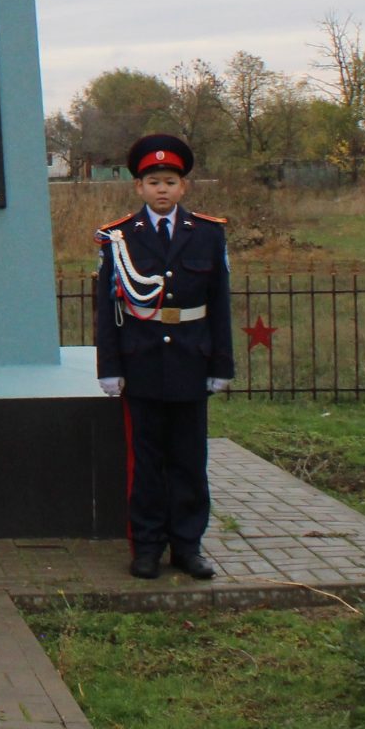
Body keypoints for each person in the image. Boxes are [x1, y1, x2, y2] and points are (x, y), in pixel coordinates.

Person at [93, 133, 233, 581]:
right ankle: (148, 546)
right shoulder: (118, 238)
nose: (162, 190)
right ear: (139, 186)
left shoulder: (207, 234)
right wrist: (110, 368)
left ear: (183, 186)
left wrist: (221, 366)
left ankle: (187, 546)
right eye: (153, 182)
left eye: (170, 181)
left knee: (189, 461)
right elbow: (108, 310)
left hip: (192, 360)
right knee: (147, 463)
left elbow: (220, 304)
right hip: (143, 362)